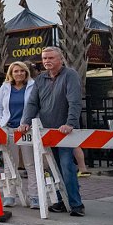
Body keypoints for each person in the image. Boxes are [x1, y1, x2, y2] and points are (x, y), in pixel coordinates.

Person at [18, 46, 84, 216]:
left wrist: (70, 123)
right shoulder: (40, 79)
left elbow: (75, 101)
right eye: (44, 58)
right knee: (52, 168)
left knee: (67, 167)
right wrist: (25, 121)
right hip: (46, 133)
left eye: (51, 58)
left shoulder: (70, 75)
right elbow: (32, 103)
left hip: (65, 132)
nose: (47, 61)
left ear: (60, 59)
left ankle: (76, 205)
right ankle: (60, 201)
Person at [0, 61, 37, 208]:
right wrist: (1, 121)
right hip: (10, 129)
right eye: (16, 71)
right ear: (11, 74)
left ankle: (34, 196)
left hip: (27, 130)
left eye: (22, 71)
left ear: (26, 72)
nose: (19, 74)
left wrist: (31, 123)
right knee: (9, 164)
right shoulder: (5, 88)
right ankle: (9, 195)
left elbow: (37, 105)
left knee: (30, 164)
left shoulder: (32, 86)